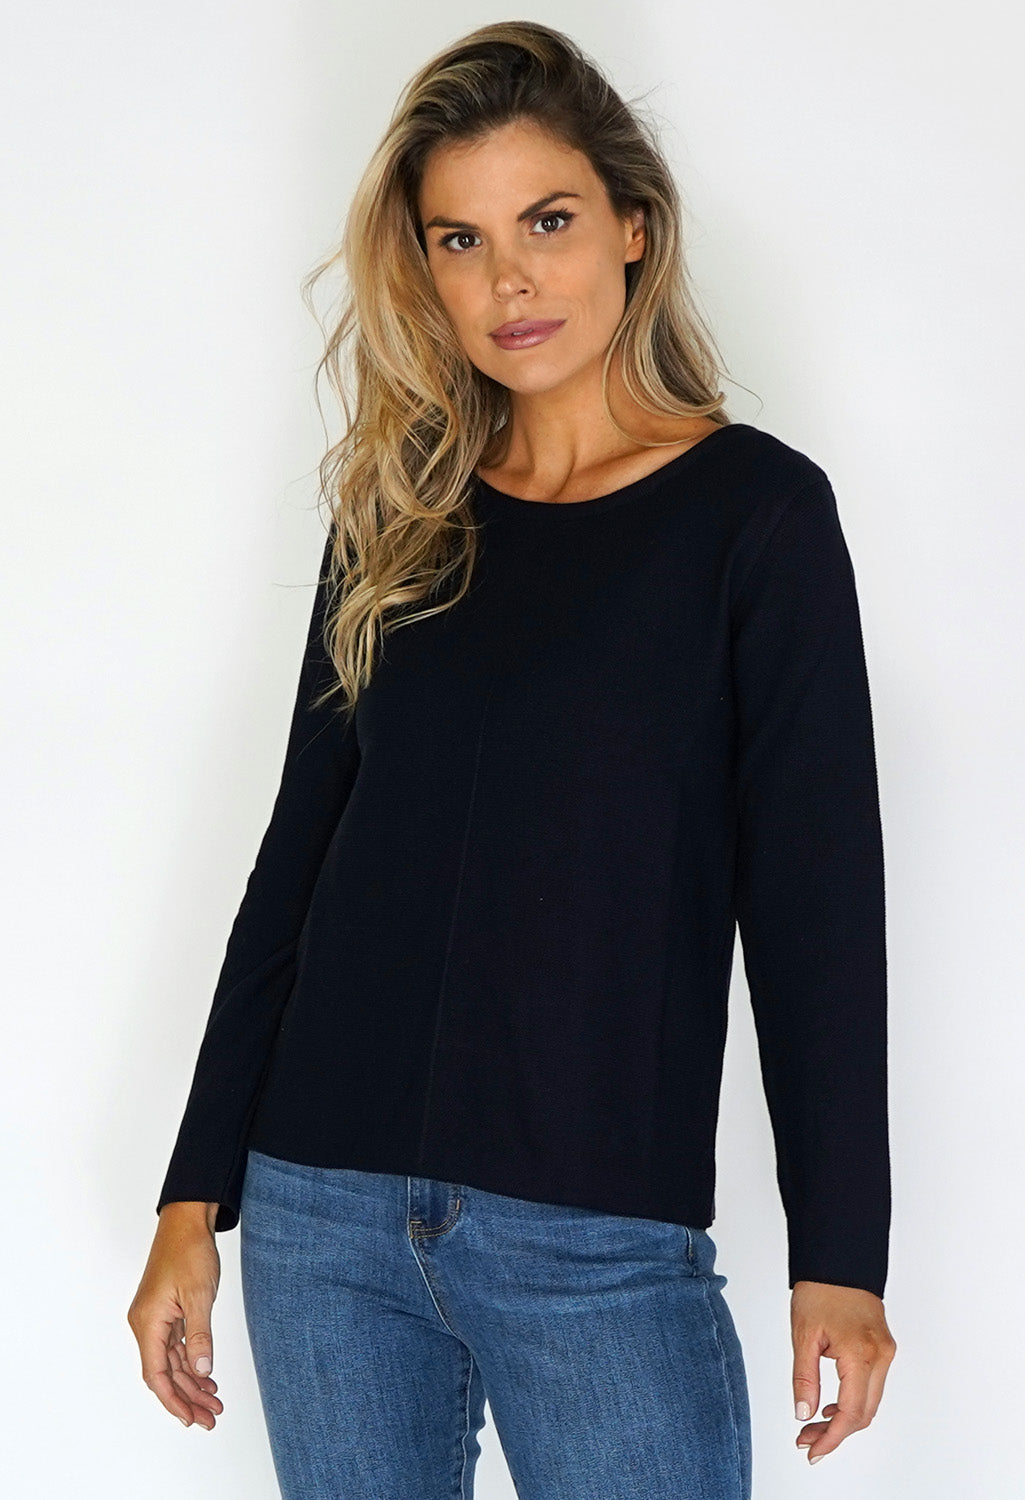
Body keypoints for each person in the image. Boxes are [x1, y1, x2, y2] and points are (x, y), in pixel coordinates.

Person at [127, 20, 896, 1498]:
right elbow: (299, 857)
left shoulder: (755, 518)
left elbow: (815, 908)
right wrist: (193, 1195)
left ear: (632, 226)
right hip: (322, 1216)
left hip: (595, 1234)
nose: (508, 282)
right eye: (460, 240)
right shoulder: (399, 511)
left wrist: (841, 1257)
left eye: (546, 222)